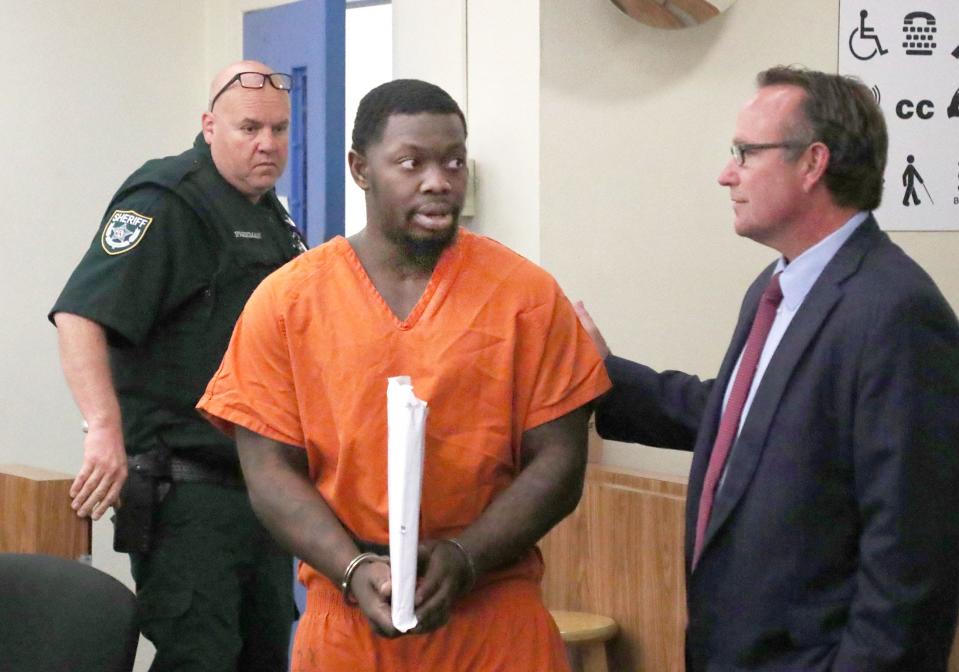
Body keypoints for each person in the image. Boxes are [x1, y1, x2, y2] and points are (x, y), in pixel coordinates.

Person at [197, 78, 611, 672]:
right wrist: (352, 568)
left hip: (493, 616)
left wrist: (468, 557)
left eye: (453, 162)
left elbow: (561, 461)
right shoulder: (289, 302)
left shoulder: (525, 296)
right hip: (348, 618)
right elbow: (267, 467)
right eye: (410, 162)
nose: (437, 180)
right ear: (360, 169)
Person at [577, 66, 959, 671]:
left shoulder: (897, 310)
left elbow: (910, 557)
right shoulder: (777, 284)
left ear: (812, 164)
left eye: (746, 153)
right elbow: (738, 420)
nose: (726, 173)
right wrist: (603, 375)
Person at [50, 60, 304, 672]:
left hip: (261, 492)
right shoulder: (168, 198)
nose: (267, 144)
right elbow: (81, 315)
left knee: (266, 656)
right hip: (186, 495)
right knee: (201, 658)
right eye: (249, 128)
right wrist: (104, 431)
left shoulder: (271, 214)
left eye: (279, 129)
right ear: (210, 125)